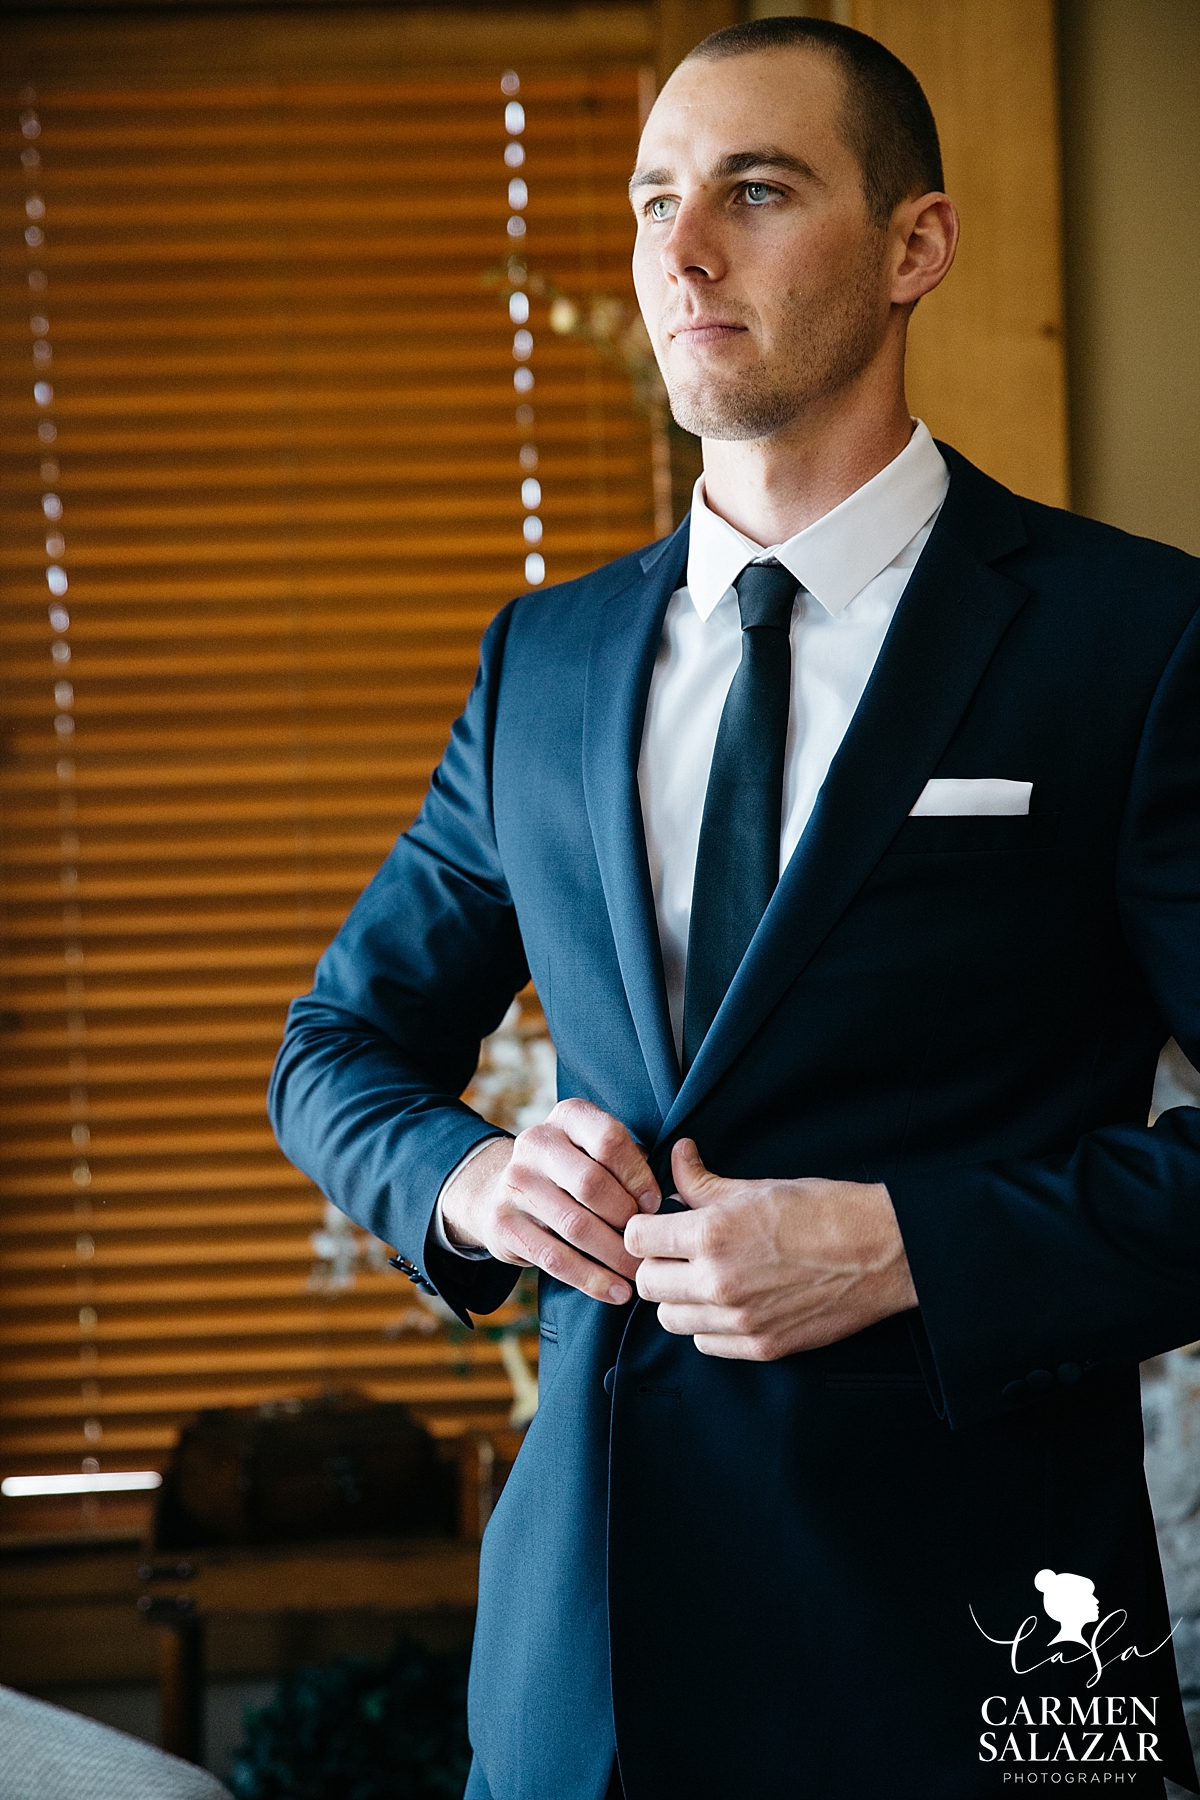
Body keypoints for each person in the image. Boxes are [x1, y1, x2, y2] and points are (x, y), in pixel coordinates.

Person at [269, 17, 1200, 1798]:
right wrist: (466, 1176)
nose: (680, 252)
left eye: (755, 191)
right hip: (582, 1664)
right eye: (650, 201)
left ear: (914, 245)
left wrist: (909, 1245)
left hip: (979, 1645)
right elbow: (338, 1046)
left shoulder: (1134, 643)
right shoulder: (540, 663)